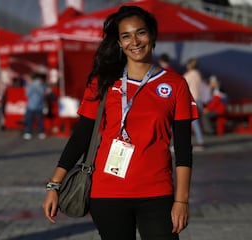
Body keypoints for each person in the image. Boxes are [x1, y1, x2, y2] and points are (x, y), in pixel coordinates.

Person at [42, 5, 198, 240]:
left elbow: (184, 149)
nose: (134, 41)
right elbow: (81, 138)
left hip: (157, 191)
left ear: (152, 36)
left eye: (141, 32)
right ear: (119, 43)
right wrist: (54, 185)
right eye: (126, 36)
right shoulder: (102, 82)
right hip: (107, 194)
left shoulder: (176, 85)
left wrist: (181, 200)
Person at [184, 58, 205, 150]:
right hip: (199, 99)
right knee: (196, 122)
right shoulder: (198, 74)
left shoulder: (189, 75)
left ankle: (199, 142)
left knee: (188, 122)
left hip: (191, 100)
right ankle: (200, 141)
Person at [22, 71, 47, 140]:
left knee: (33, 120)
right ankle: (37, 132)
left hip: (35, 105)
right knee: (37, 120)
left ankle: (31, 132)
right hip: (36, 105)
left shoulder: (36, 85)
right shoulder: (39, 85)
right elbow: (43, 94)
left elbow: (27, 94)